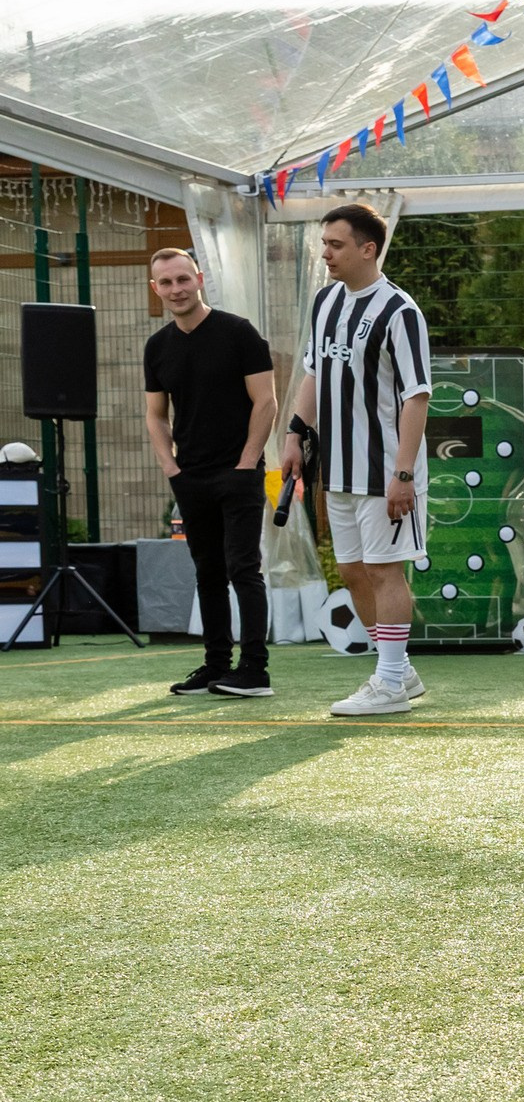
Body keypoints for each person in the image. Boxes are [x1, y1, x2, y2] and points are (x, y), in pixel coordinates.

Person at [281, 204, 433, 718]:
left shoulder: (400, 311)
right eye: (324, 244)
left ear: (368, 249)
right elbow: (313, 373)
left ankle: (389, 681)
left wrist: (404, 474)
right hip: (338, 470)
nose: (325, 254)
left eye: (336, 245)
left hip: (386, 470)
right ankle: (399, 671)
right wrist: (293, 434)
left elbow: (417, 396)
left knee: (385, 571)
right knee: (352, 572)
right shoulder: (326, 302)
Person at [143, 247, 279, 700]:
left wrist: (247, 461)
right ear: (155, 289)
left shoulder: (238, 333)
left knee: (244, 569)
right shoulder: (157, 346)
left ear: (199, 279)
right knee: (207, 573)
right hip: (190, 476)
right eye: (166, 283)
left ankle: (255, 671)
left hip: (238, 474)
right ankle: (216, 666)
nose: (176, 289)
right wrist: (171, 466)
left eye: (183, 279)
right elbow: (156, 414)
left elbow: (267, 401)